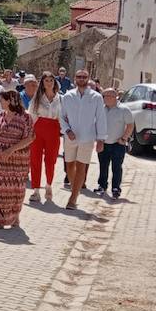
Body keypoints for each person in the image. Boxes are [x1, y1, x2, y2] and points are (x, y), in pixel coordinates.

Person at [59, 69, 106, 211]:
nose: (81, 79)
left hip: (87, 137)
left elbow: (101, 118)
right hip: (70, 137)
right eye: (79, 77)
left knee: (81, 166)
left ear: (88, 79)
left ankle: (73, 198)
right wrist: (67, 130)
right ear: (74, 78)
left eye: (84, 77)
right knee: (69, 166)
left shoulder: (96, 97)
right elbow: (61, 116)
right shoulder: (67, 96)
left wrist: (101, 139)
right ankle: (75, 189)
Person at [0, 90, 36, 229]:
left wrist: (11, 149)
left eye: (1, 99)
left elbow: (30, 137)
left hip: (18, 161)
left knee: (16, 190)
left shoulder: (26, 117)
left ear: (9, 100)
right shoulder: (0, 117)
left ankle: (15, 218)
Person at [28, 72, 62, 203]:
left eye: (51, 80)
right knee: (35, 159)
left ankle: (48, 184)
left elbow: (62, 115)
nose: (49, 82)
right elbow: (31, 115)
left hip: (53, 129)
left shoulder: (60, 98)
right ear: (42, 82)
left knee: (51, 160)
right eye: (46, 80)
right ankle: (36, 189)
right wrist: (30, 131)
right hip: (39, 128)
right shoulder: (37, 98)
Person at [96, 88, 134, 200]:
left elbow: (130, 125)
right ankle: (102, 186)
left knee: (116, 167)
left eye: (107, 96)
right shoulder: (101, 109)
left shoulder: (124, 109)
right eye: (104, 96)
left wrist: (124, 138)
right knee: (103, 165)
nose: (105, 99)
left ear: (115, 97)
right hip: (103, 142)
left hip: (118, 143)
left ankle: (116, 188)